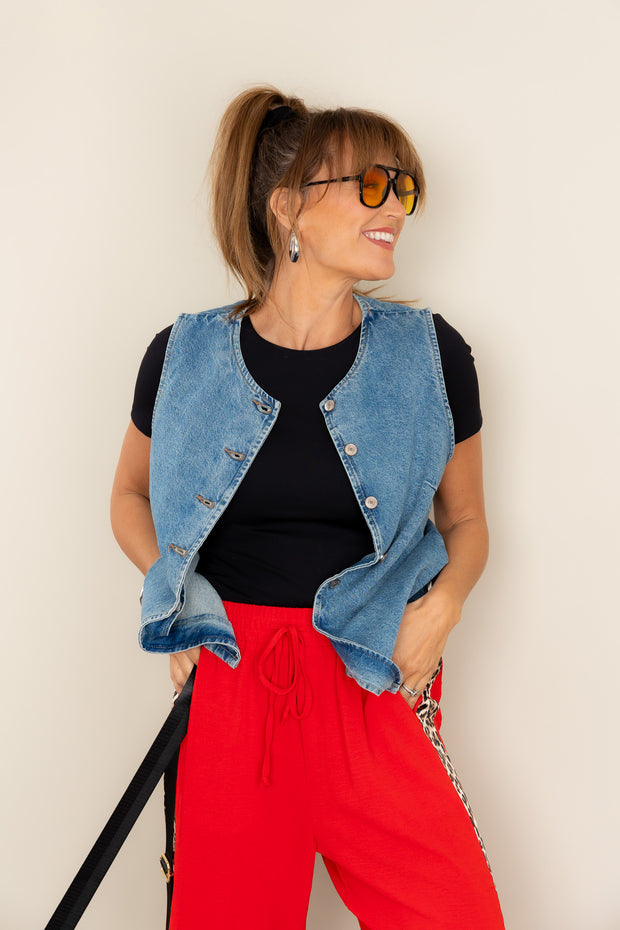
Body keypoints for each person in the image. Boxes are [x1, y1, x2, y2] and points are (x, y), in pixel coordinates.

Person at [110, 85, 505, 930]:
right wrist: (178, 602)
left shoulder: (433, 355)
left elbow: (467, 521)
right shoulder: (182, 355)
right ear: (288, 207)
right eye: (371, 186)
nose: (394, 208)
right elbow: (129, 496)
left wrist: (444, 607)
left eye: (404, 188)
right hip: (233, 685)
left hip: (372, 676)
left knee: (457, 913)